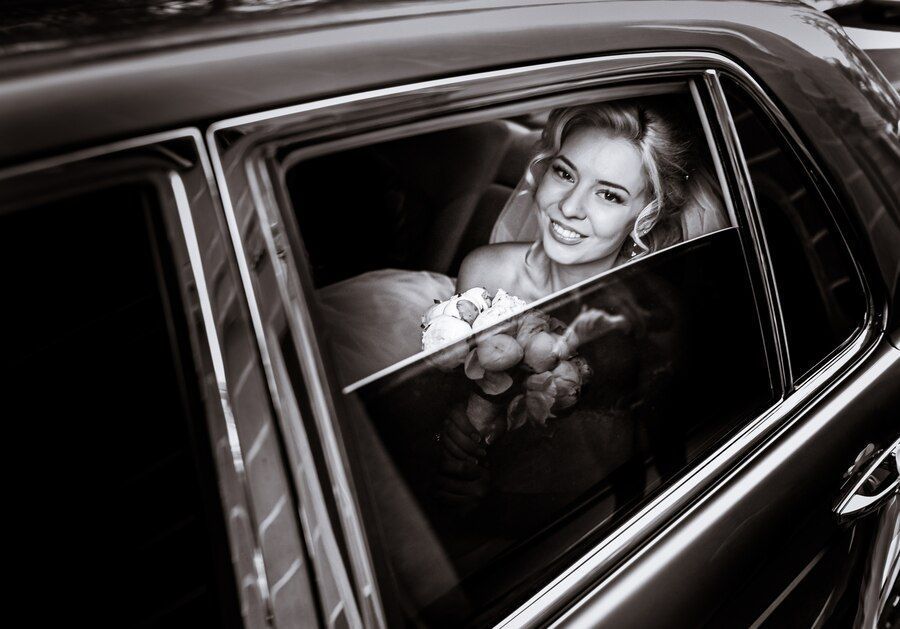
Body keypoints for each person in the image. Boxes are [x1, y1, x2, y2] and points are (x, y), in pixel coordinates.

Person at [435, 99, 727, 508]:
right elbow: (467, 391)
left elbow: (665, 461)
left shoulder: (654, 316)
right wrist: (458, 435)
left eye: (608, 195)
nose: (569, 207)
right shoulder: (485, 271)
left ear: (645, 214)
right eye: (564, 173)